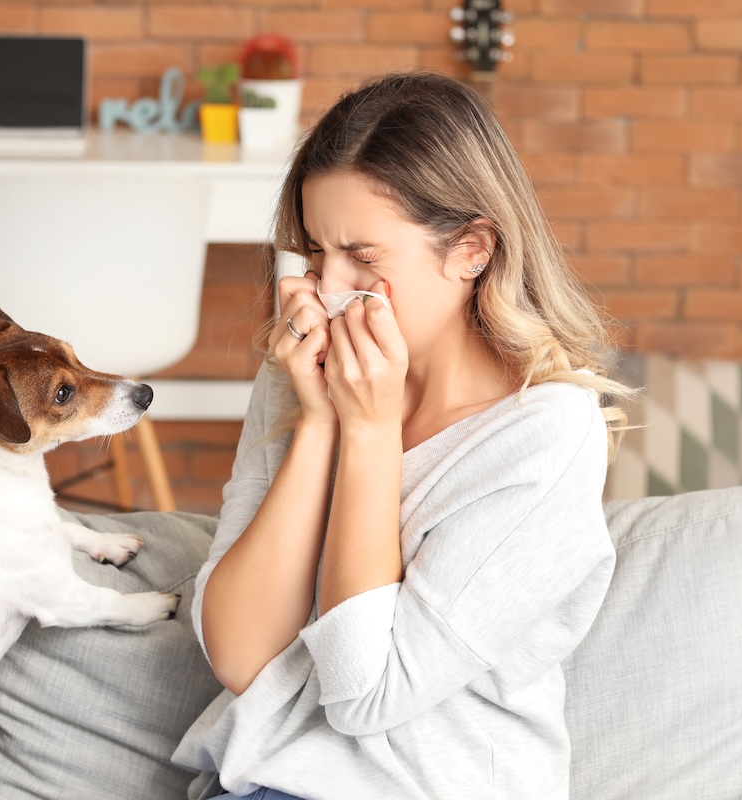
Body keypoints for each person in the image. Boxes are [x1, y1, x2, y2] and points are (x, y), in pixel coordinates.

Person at [172, 71, 630, 800]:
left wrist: (373, 432)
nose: (326, 290)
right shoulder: (298, 370)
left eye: (363, 257)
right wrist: (322, 419)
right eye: (317, 254)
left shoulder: (544, 436)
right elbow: (239, 652)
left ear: (472, 250)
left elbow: (365, 695)